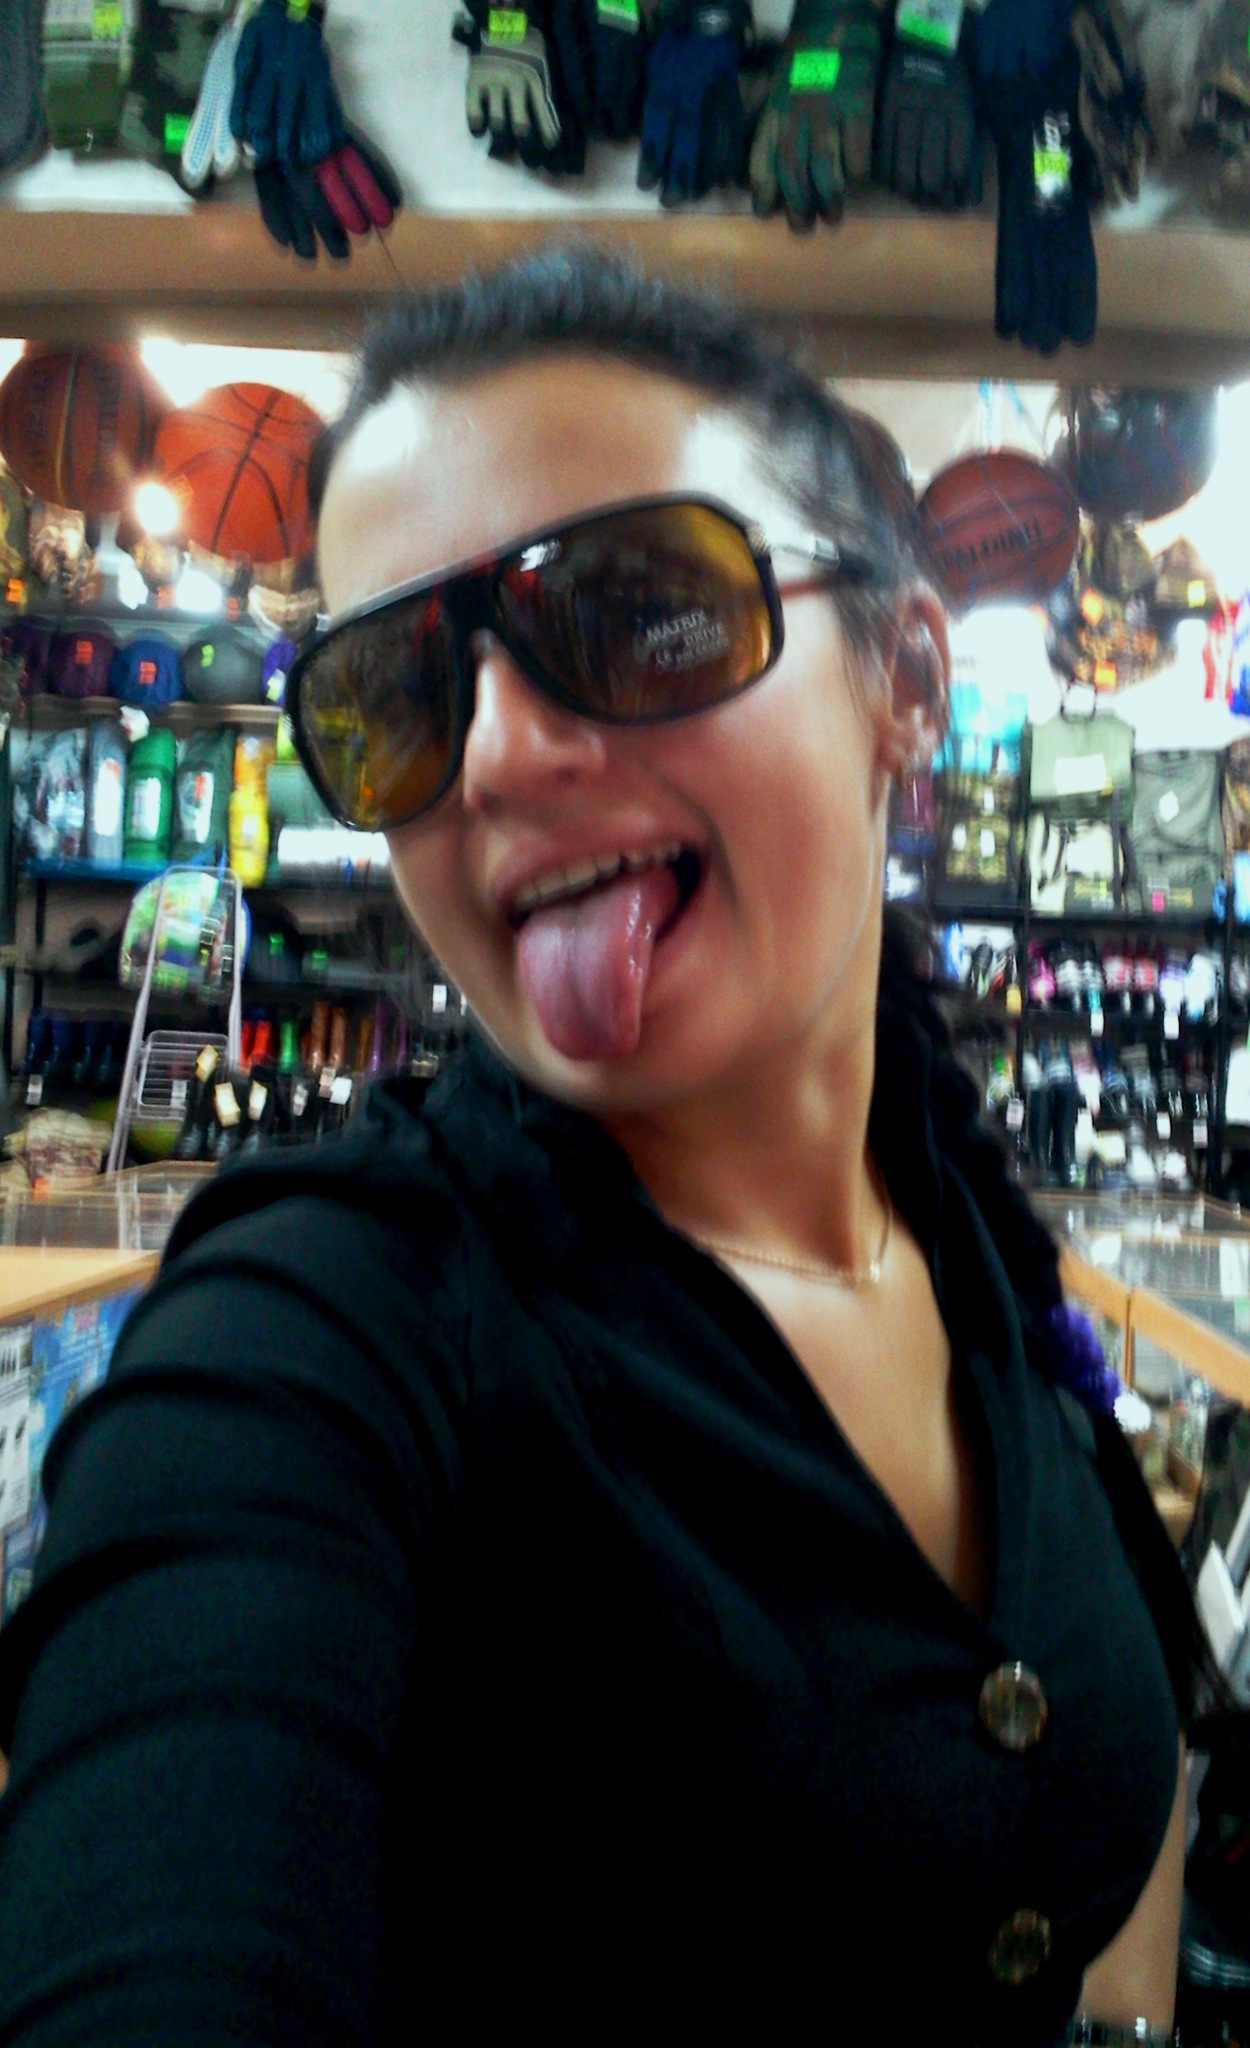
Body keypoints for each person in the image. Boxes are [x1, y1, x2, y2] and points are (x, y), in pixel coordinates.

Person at [0, 245, 1207, 2045]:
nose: (495, 755)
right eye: (398, 695)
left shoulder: (959, 1225)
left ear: (901, 674)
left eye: (638, 608)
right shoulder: (324, 1329)